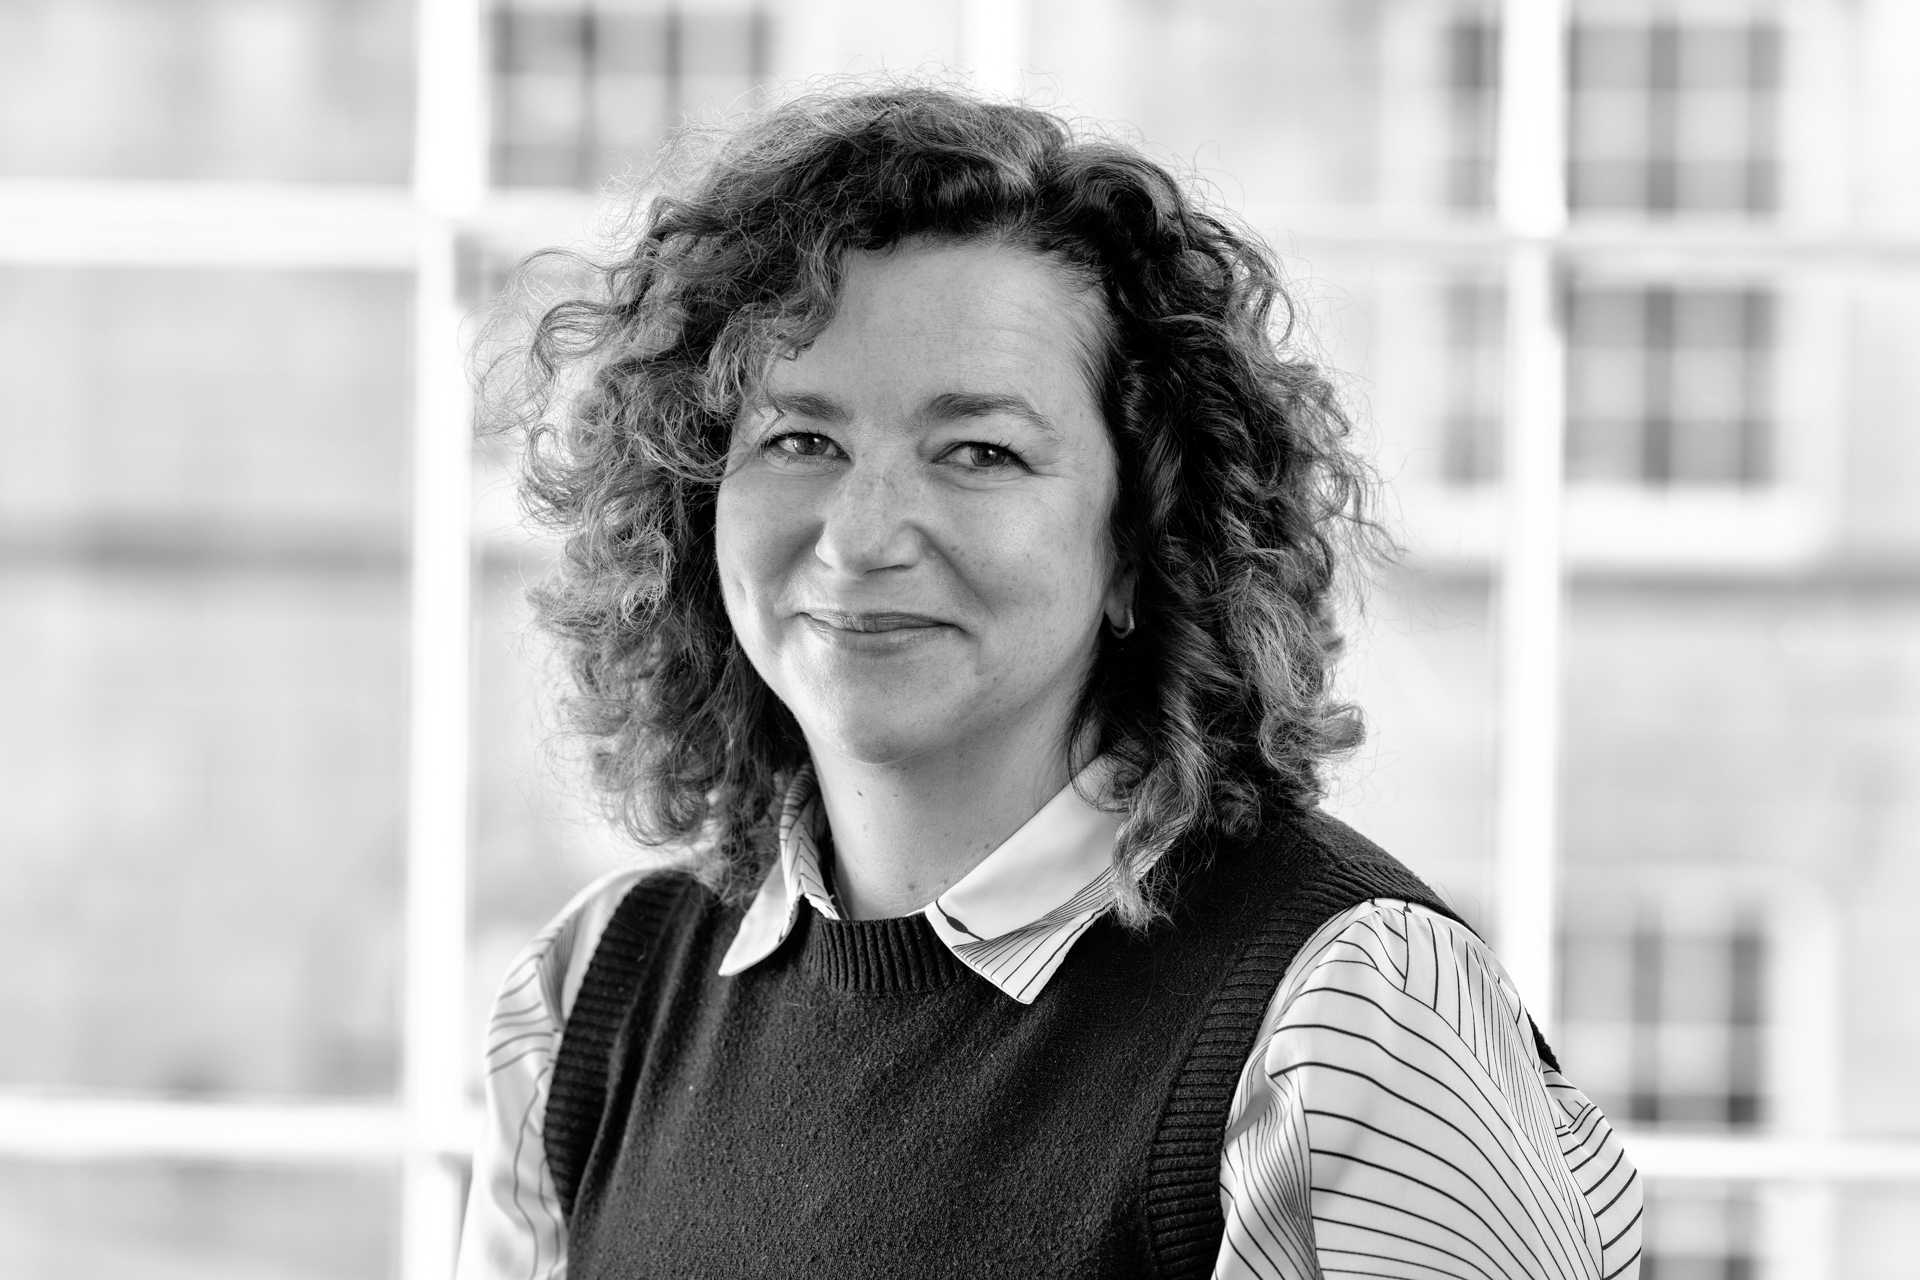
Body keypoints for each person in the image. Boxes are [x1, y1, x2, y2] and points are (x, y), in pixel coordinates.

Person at [458, 84, 1641, 1280]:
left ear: (1143, 534)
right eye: (800, 439)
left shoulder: (1347, 1017)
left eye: (979, 451)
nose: (859, 536)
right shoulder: (588, 1001)